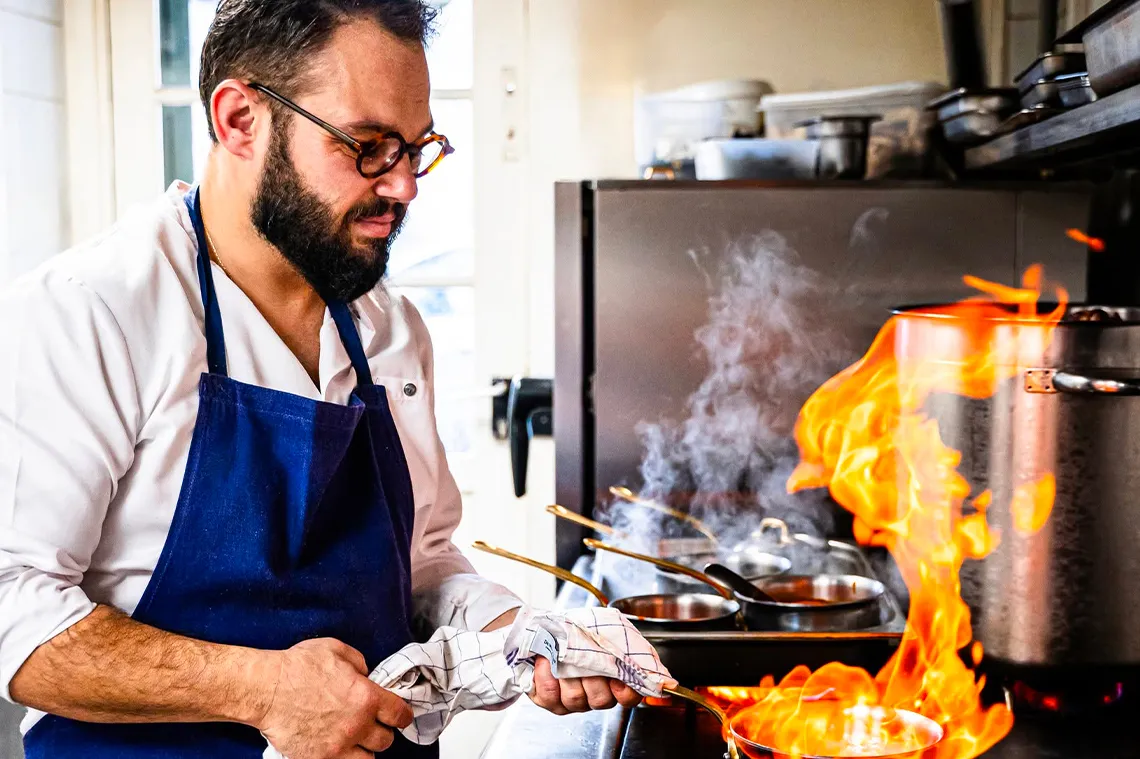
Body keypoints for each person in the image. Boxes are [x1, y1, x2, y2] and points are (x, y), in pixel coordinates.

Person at [0, 2, 640, 757]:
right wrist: (261, 689)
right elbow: (14, 610)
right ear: (241, 120)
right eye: (368, 145)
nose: (403, 187)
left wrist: (515, 631)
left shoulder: (390, 329)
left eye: (416, 147)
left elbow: (422, 565)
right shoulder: (89, 311)